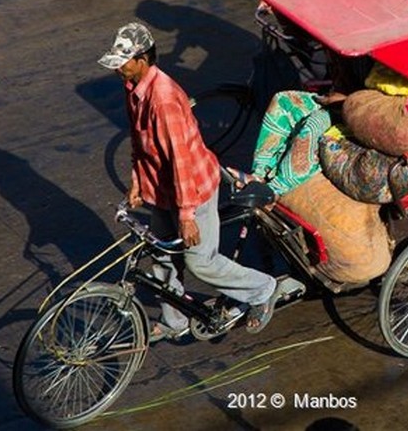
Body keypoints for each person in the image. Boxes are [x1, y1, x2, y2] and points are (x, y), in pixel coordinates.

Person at [99, 22, 280, 339]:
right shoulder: (134, 89)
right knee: (161, 255)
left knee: (201, 263)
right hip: (162, 189)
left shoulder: (163, 101)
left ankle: (261, 289)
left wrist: (187, 216)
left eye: (124, 62)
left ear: (143, 59)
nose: (119, 69)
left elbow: (180, 163)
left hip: (191, 189)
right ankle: (175, 321)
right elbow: (140, 143)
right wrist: (138, 183)